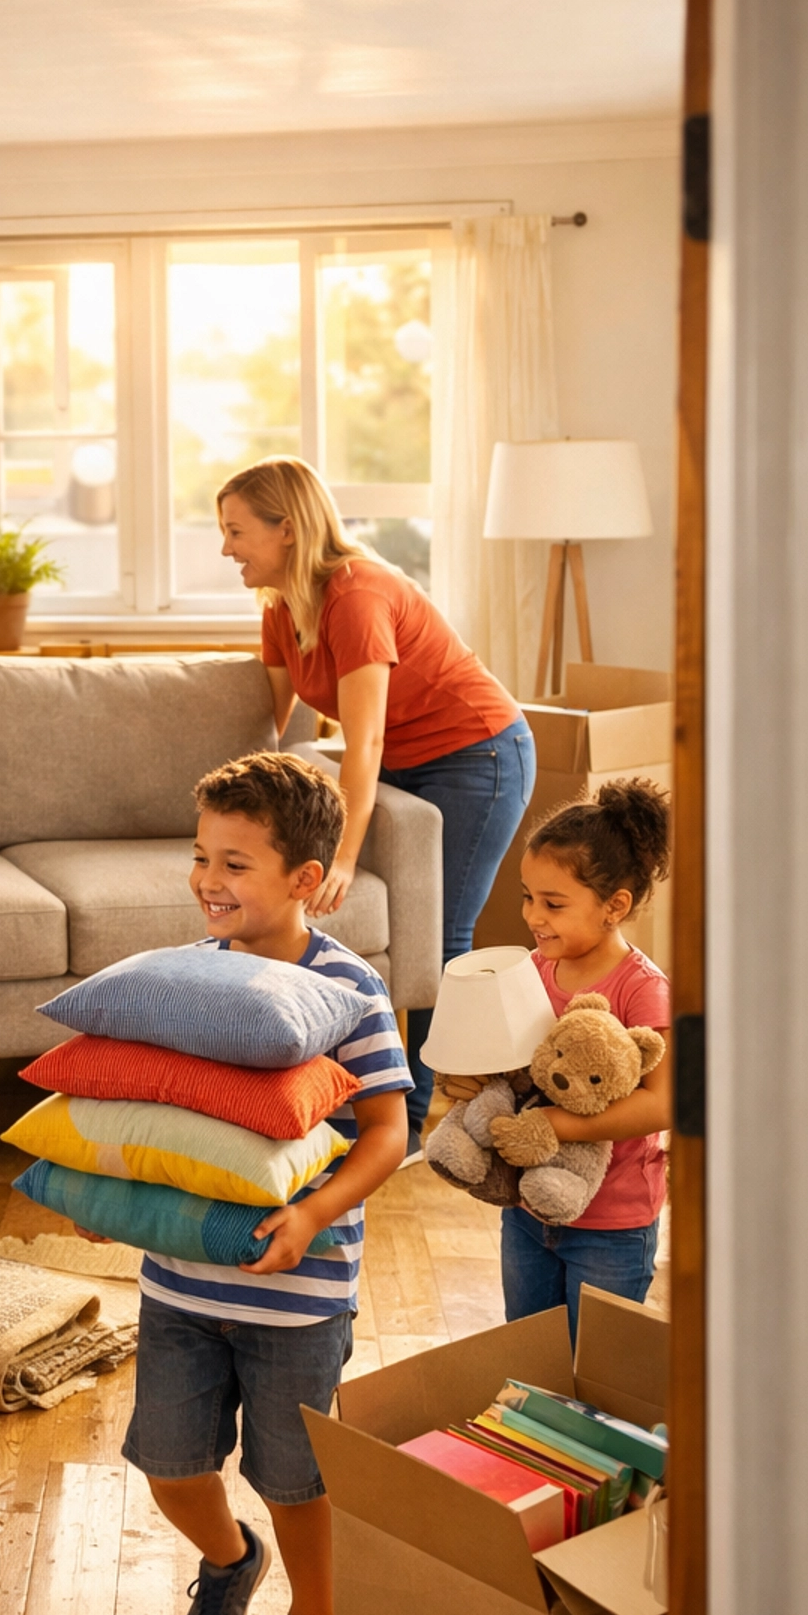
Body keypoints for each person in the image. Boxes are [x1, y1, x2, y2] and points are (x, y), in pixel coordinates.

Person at [118, 751, 411, 1615]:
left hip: (300, 1296)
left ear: (308, 880)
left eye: (236, 863)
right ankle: (229, 1562)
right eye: (203, 856)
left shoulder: (351, 992)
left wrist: (314, 1215)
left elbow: (386, 1133)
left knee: (295, 1480)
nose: (209, 880)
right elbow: (154, 1116)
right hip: (180, 1289)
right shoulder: (182, 985)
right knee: (169, 1466)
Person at [218, 455, 536, 1163]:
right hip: (405, 762)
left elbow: (363, 742)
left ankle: (414, 1124)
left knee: (437, 934)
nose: (225, 548)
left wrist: (343, 855)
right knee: (412, 931)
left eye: (238, 531)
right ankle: (350, 1100)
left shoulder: (357, 597)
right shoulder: (281, 610)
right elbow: (272, 733)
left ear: (289, 529)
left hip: (477, 755)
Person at [479, 780, 672, 1340]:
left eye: (553, 904)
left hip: (612, 1225)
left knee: (591, 1368)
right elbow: (521, 1067)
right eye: (528, 897)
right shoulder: (537, 971)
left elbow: (662, 1104)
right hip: (527, 1211)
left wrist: (555, 1125)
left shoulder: (643, 991)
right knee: (530, 1351)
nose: (533, 916)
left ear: (616, 906)